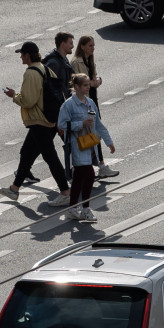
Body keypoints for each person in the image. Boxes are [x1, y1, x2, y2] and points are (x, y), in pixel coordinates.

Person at [0, 41, 72, 206]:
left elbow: (29, 101)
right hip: (50, 119)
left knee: (50, 157)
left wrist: (13, 96)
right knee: (26, 152)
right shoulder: (46, 69)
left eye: (22, 54)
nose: (20, 57)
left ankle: (65, 192)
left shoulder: (31, 72)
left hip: (39, 121)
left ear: (28, 55)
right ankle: (14, 189)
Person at [58, 73, 115, 222]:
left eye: (89, 84)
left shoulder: (90, 103)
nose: (88, 87)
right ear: (76, 87)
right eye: (85, 85)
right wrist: (80, 124)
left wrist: (109, 142)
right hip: (77, 145)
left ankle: (72, 208)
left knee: (78, 178)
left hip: (90, 144)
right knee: (89, 175)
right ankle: (85, 208)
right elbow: (62, 124)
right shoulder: (69, 105)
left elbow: (98, 124)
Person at [69, 34, 116, 179]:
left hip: (92, 101)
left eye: (93, 45)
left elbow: (94, 78)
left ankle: (93, 166)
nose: (92, 48)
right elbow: (78, 82)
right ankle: (92, 167)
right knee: (90, 135)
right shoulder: (77, 62)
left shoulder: (89, 60)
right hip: (84, 103)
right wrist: (92, 83)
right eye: (90, 45)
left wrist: (98, 81)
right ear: (82, 46)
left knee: (94, 133)